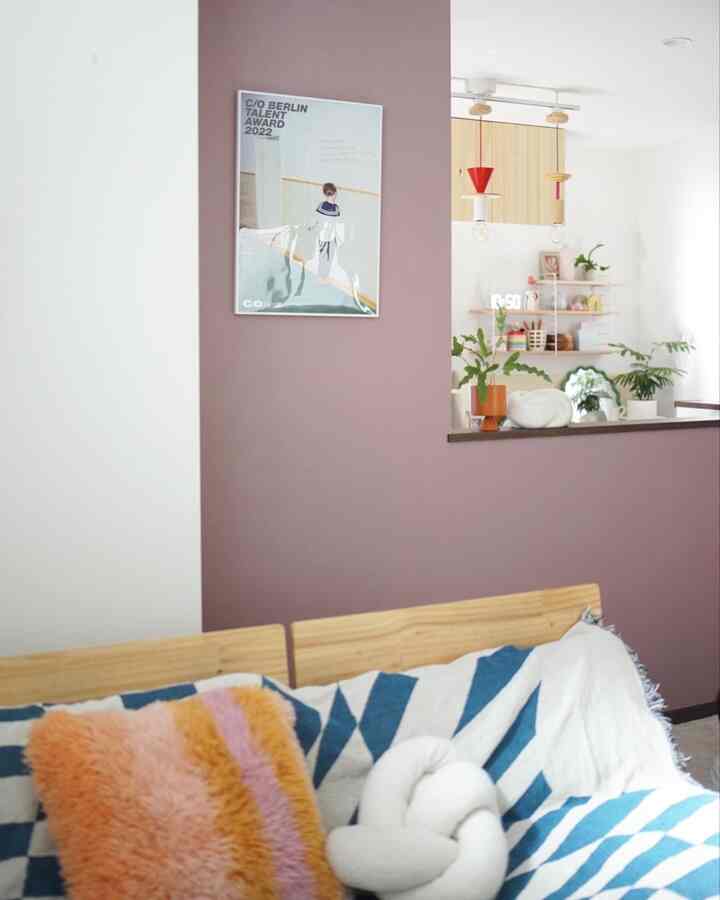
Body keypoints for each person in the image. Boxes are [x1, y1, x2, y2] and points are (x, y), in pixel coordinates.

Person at [311, 182, 343, 282]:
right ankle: (321, 276)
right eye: (334, 193)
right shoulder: (322, 206)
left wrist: (338, 237)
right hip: (323, 236)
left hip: (331, 237)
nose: (335, 195)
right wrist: (312, 227)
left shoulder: (336, 208)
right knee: (323, 257)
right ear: (332, 193)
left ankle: (325, 276)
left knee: (330, 257)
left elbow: (337, 224)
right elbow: (316, 219)